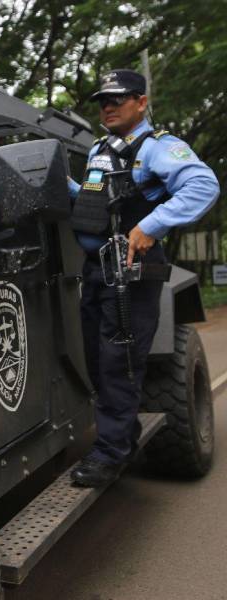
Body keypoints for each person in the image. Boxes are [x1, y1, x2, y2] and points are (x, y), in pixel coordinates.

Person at [67, 69, 220, 487]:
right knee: (98, 361)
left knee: (119, 363)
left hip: (130, 274)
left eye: (118, 98)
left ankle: (111, 454)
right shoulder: (101, 148)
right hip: (98, 269)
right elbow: (91, 201)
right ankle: (122, 436)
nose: (108, 106)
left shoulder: (157, 148)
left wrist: (152, 224)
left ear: (141, 102)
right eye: (103, 100)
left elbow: (203, 185)